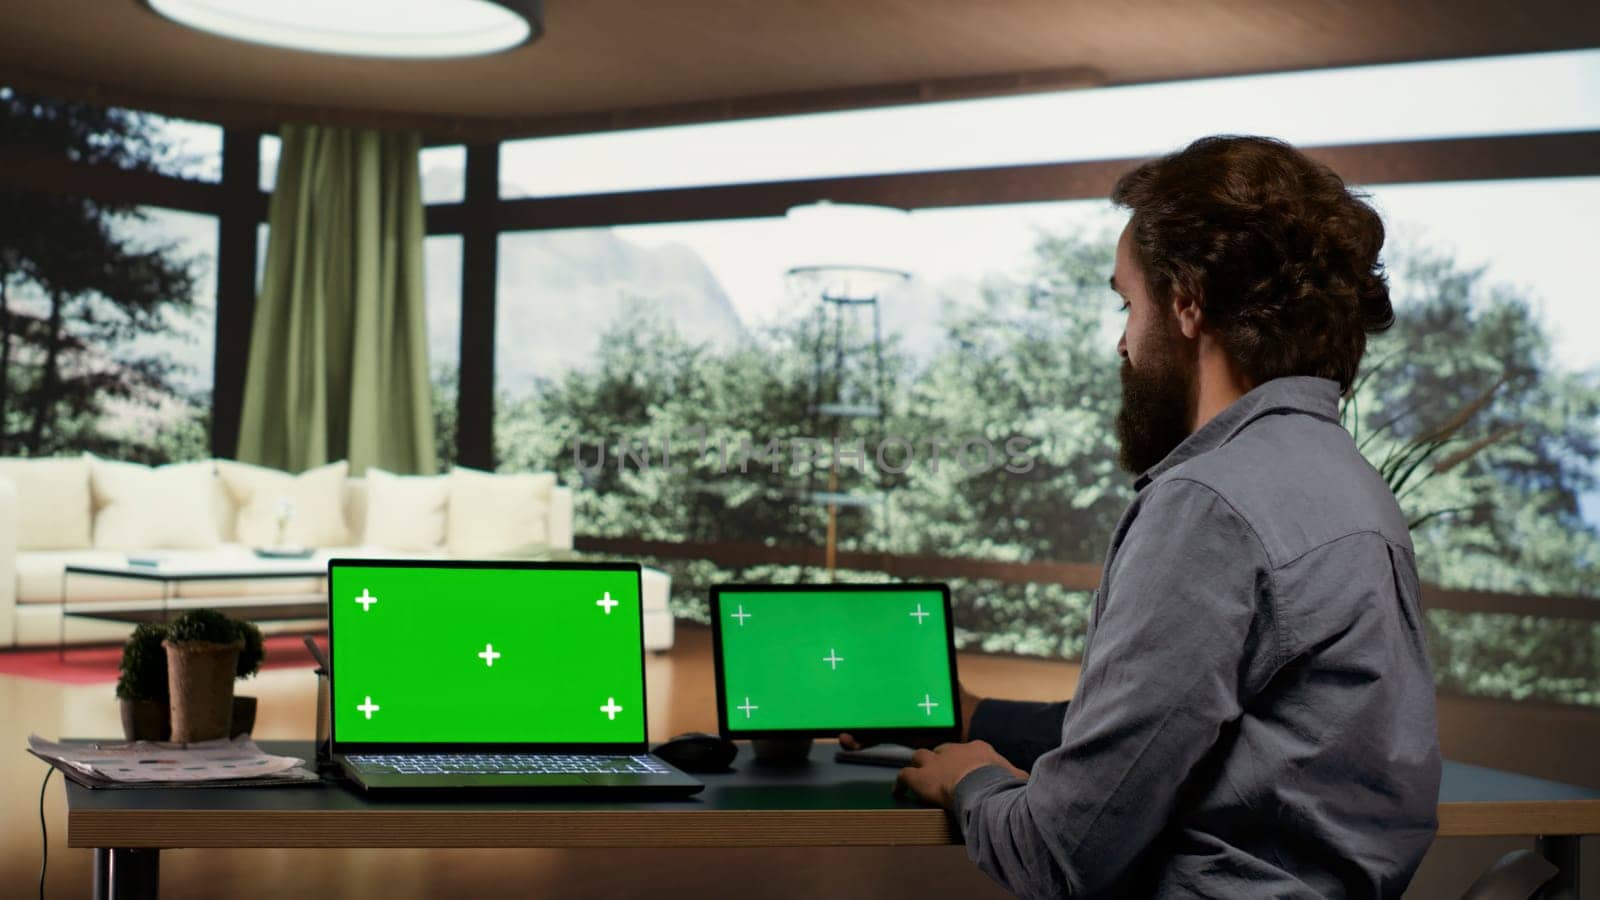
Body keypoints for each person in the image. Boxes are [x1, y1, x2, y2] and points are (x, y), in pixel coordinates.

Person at [862, 135, 1442, 898]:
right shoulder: (1350, 486)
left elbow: (1061, 854)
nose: (1122, 341)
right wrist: (979, 718)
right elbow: (1192, 733)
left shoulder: (1211, 503)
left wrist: (972, 783)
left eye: (1127, 303)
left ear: (1187, 302)